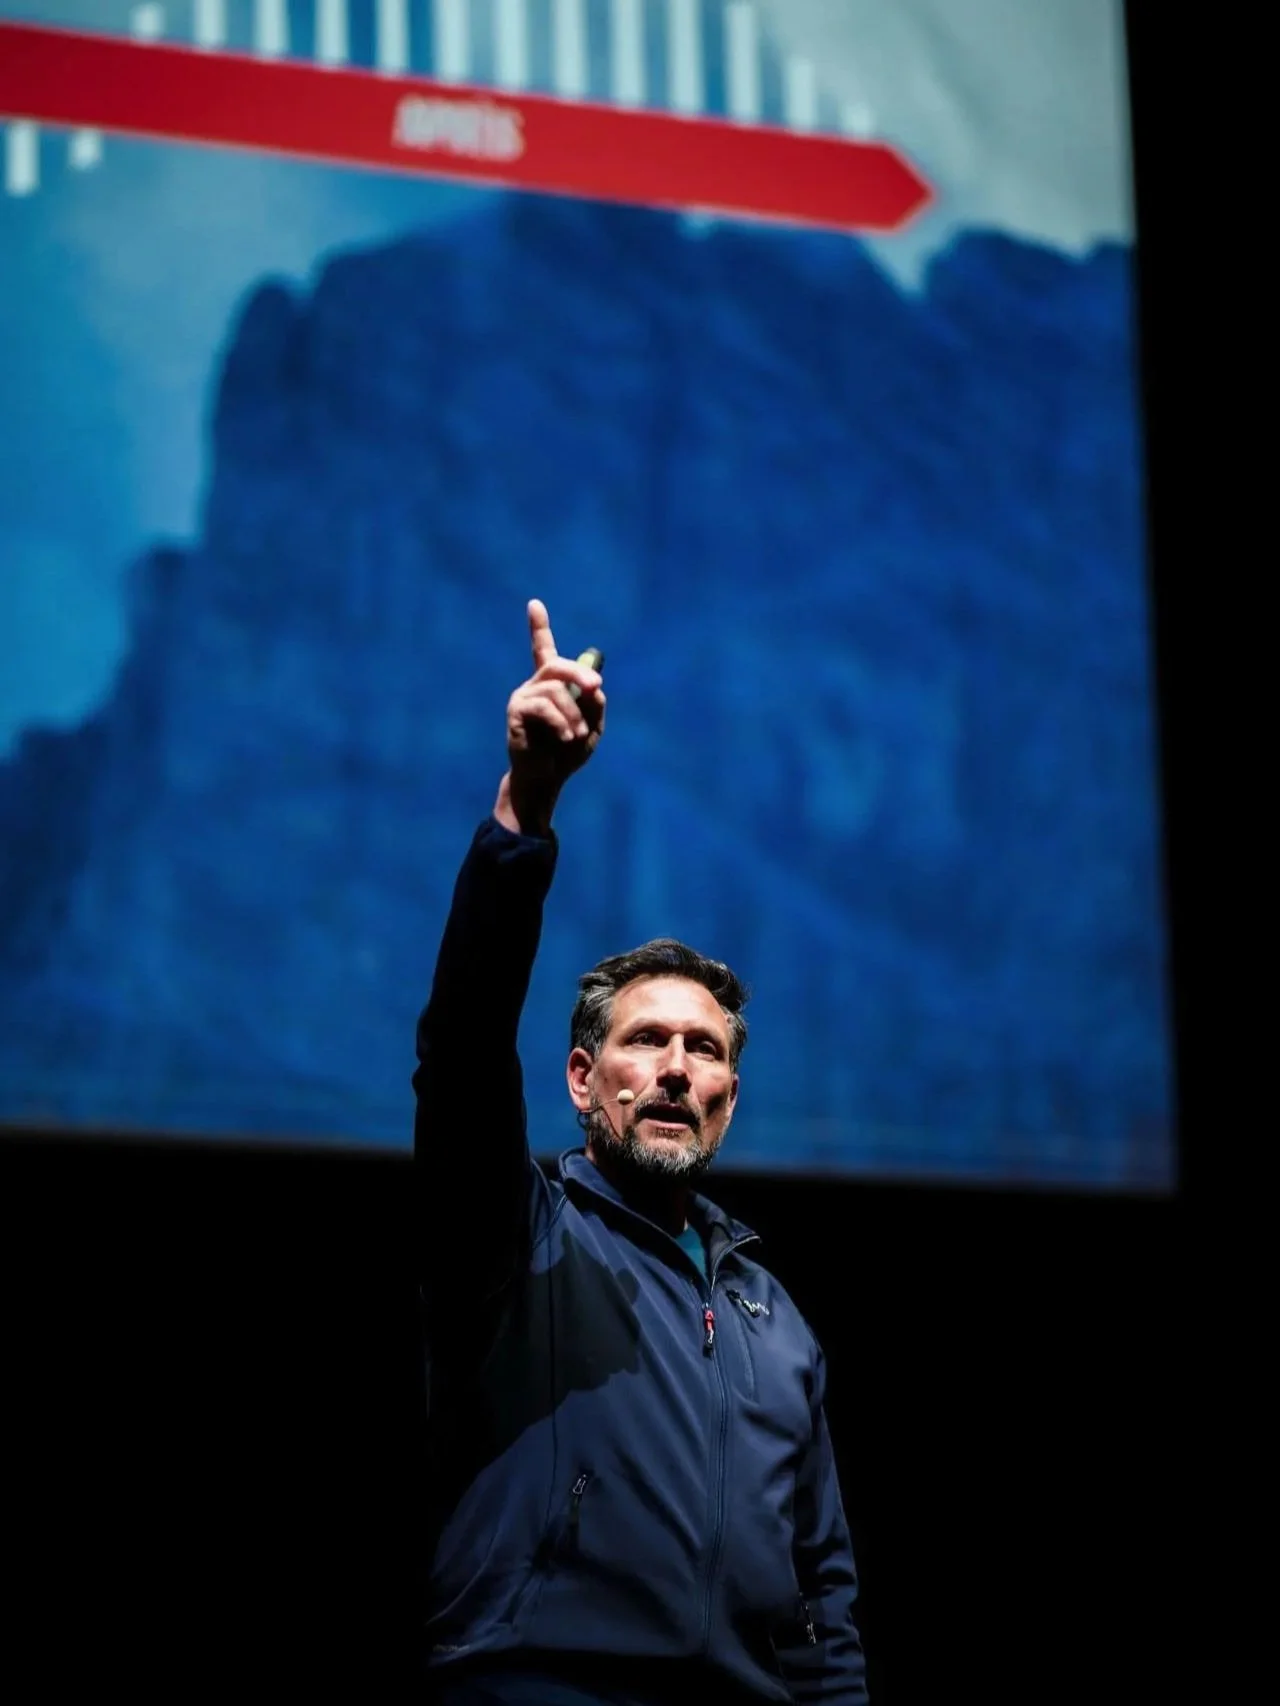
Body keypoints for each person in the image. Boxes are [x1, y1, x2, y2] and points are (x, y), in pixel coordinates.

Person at [415, 601, 868, 1704]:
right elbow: (466, 1040)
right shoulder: (516, 1233)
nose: (673, 1066)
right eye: (645, 1040)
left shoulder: (778, 1319)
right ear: (582, 1080)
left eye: (701, 1048)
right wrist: (527, 806)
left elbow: (825, 1592)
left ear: (727, 1092)